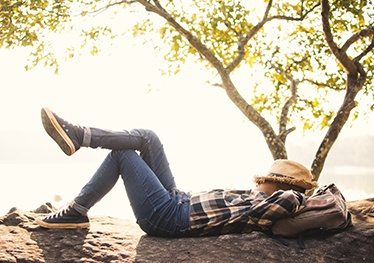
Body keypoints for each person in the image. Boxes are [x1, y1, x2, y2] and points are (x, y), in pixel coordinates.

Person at [36, 107, 318, 237]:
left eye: (268, 181)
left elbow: (291, 201)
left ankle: (76, 209)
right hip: (177, 199)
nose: (261, 183)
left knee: (123, 155)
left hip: (168, 216)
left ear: (281, 189)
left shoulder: (274, 205)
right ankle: (82, 136)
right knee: (149, 137)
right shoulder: (255, 199)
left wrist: (298, 194)